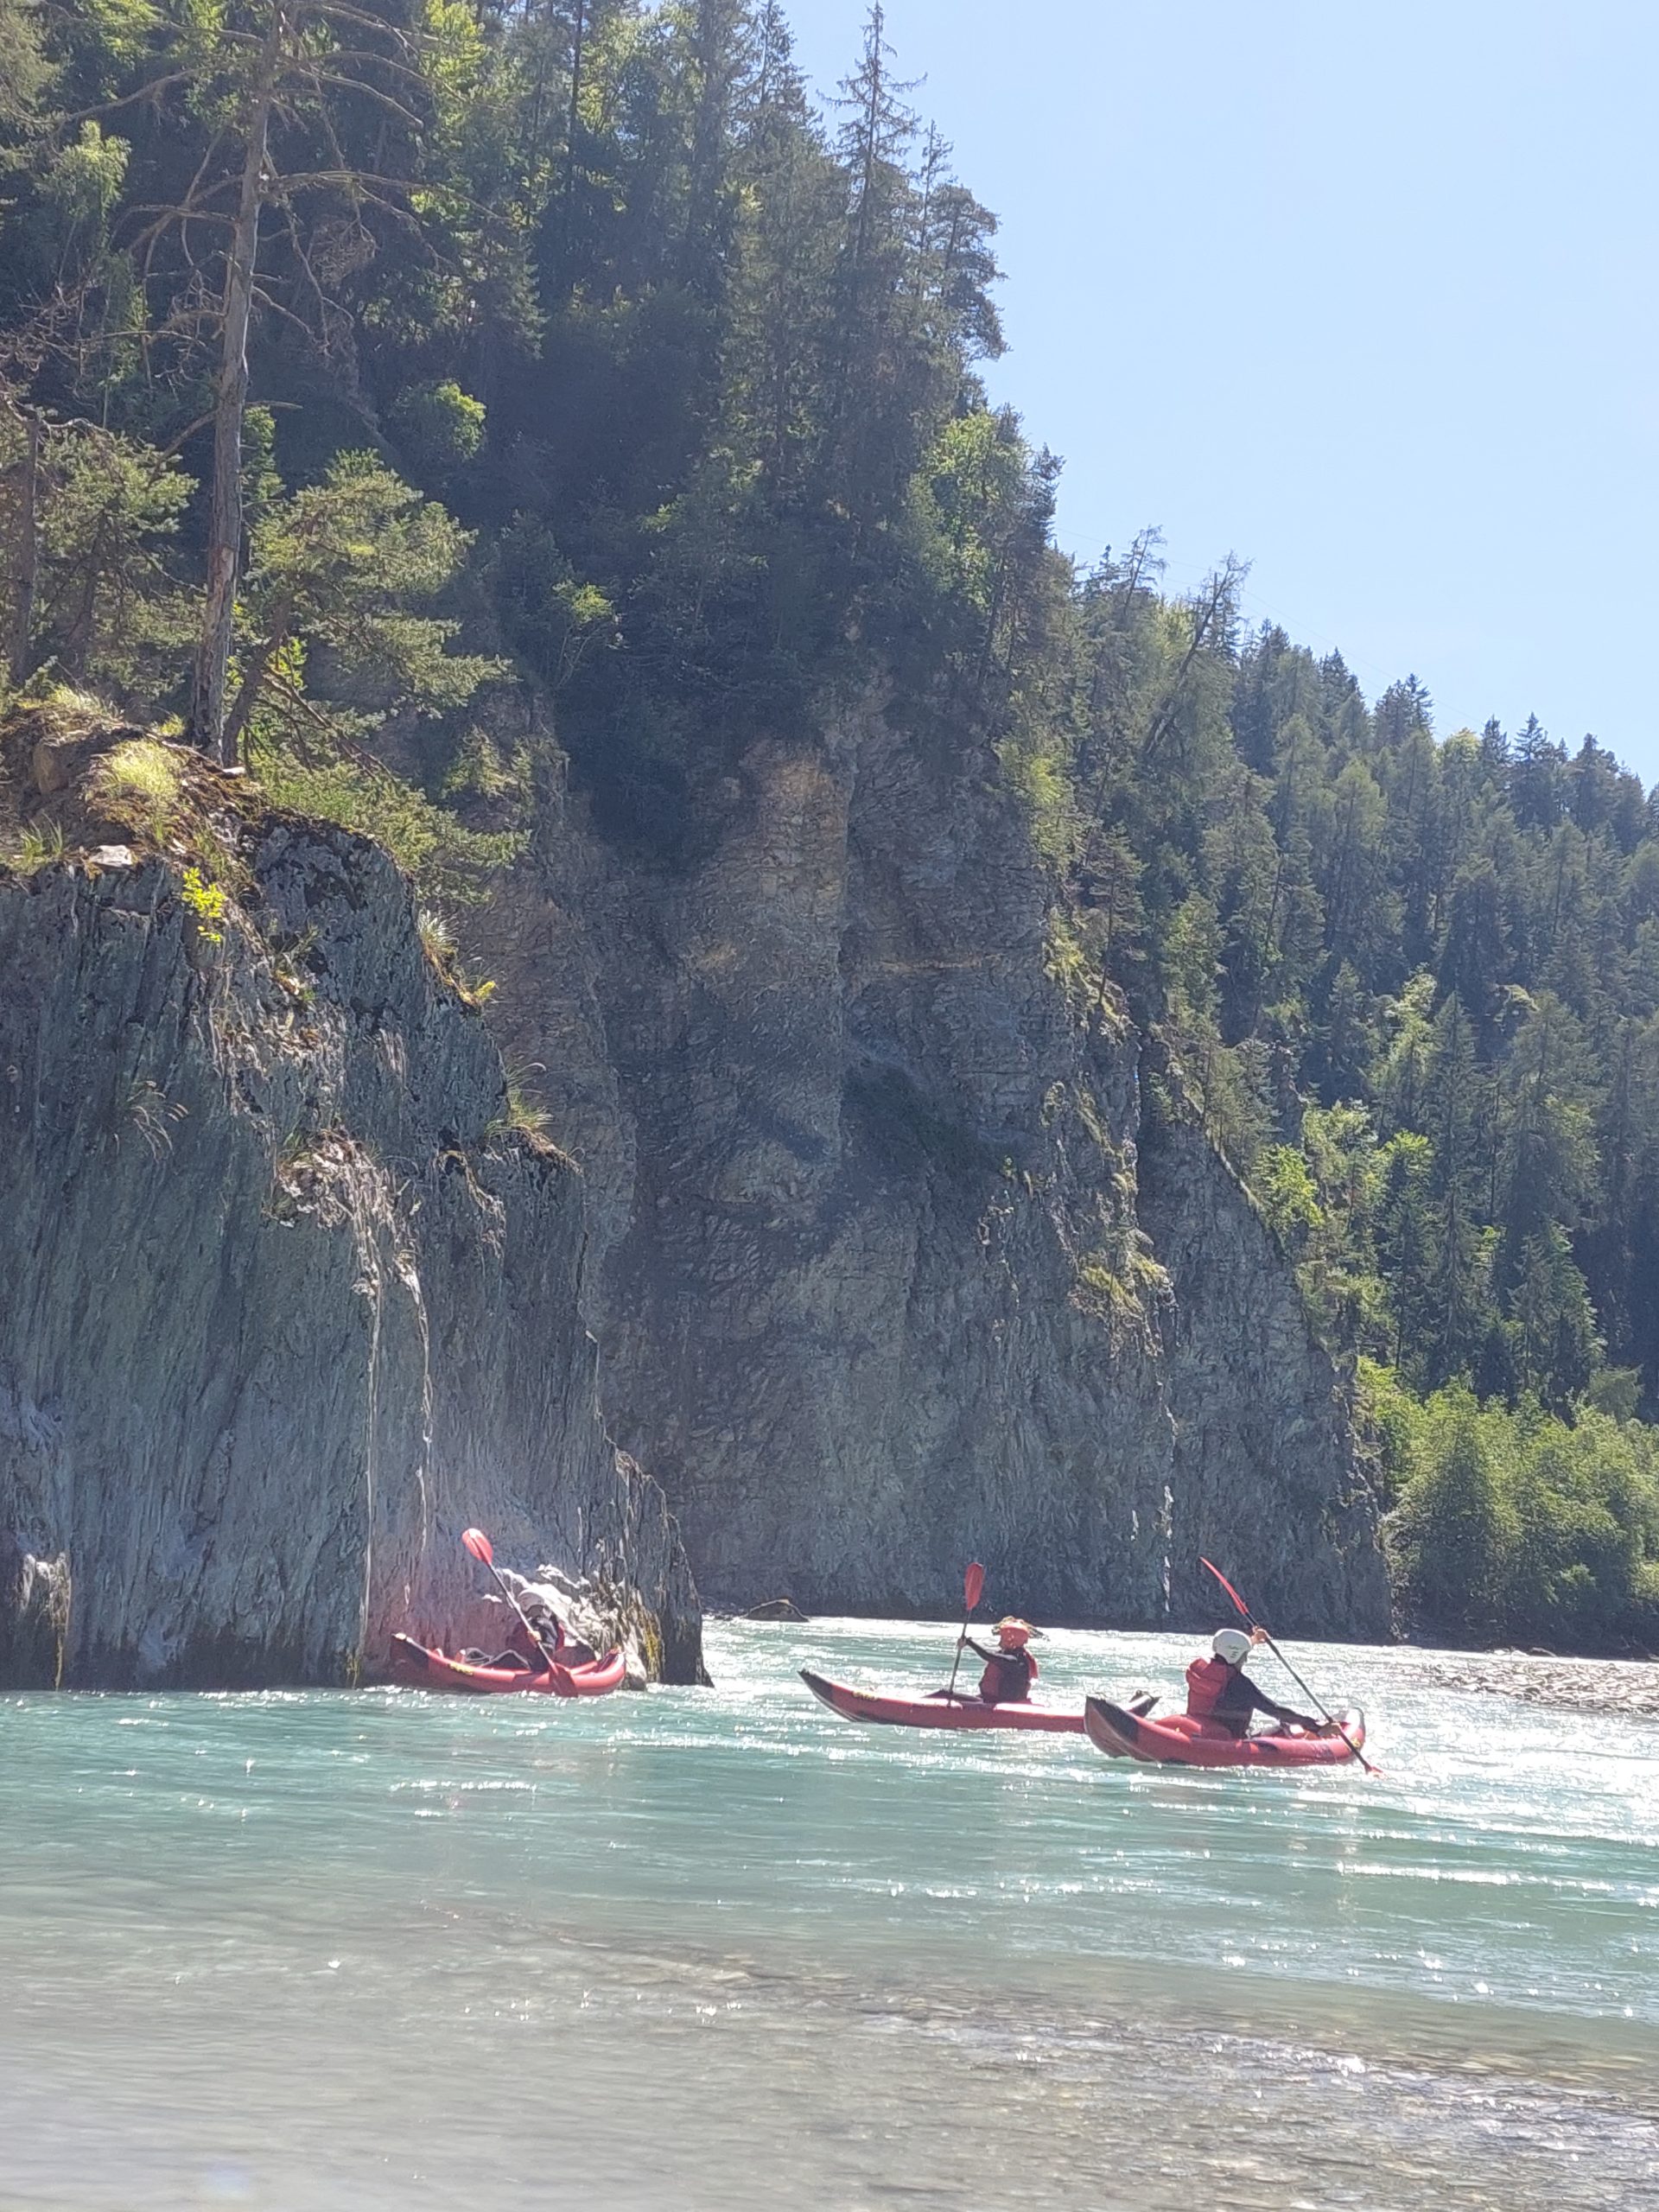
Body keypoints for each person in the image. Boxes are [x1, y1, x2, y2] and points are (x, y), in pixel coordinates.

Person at [1185, 1626, 1322, 1738]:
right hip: (1230, 1736)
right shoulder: (1238, 1683)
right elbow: (1273, 1710)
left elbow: (1232, 1648)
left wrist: (1253, 1640)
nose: (1245, 1660)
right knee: (1281, 1728)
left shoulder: (1200, 1668)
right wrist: (1314, 1726)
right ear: (1236, 1655)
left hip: (1198, 1727)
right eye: (1245, 1655)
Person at [957, 1617, 1040, 1705]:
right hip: (991, 1700)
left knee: (944, 1694)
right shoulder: (1016, 1657)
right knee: (949, 1695)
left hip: (1001, 1703)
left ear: (1011, 1640)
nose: (999, 1643)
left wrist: (969, 1642)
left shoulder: (1015, 1661)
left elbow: (987, 1655)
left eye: (1002, 1639)